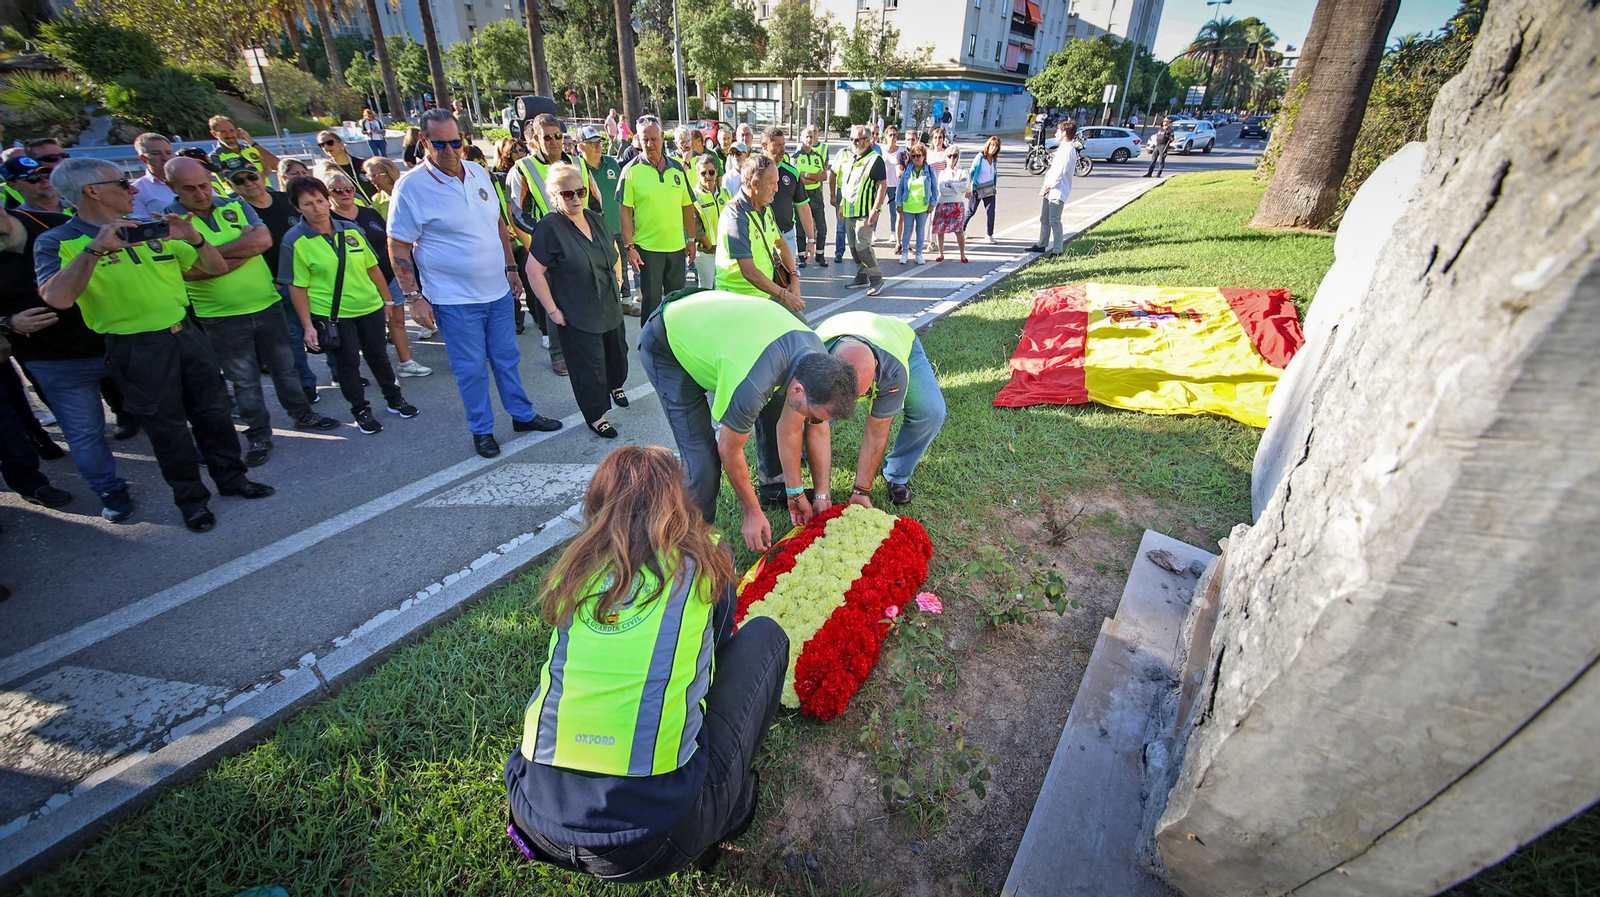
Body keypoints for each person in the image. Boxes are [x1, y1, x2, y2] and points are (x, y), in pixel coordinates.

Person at [504, 445, 788, 883]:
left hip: (534, 815)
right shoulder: (706, 558)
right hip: (653, 839)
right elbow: (716, 652)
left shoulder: (573, 568)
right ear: (678, 498)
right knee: (766, 636)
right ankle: (727, 815)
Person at [36, 158, 274, 532]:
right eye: (122, 183)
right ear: (92, 191)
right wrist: (95, 249)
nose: (133, 189)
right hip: (136, 347)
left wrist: (193, 238)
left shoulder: (148, 227)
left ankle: (233, 478)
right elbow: (57, 298)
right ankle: (192, 501)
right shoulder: (59, 240)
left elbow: (213, 267)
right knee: (168, 429)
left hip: (185, 333)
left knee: (213, 414)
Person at [388, 108, 562, 459]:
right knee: (470, 369)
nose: (450, 150)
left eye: (455, 142)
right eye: (440, 143)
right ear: (424, 141)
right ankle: (482, 430)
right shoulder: (410, 187)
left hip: (496, 291)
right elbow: (398, 245)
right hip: (453, 299)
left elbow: (498, 223)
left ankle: (522, 415)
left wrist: (511, 268)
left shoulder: (478, 172)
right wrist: (413, 297)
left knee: (506, 358)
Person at [638, 289, 860, 547]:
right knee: (702, 460)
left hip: (719, 334)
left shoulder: (815, 359)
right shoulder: (752, 384)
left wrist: (810, 493)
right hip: (668, 343)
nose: (811, 422)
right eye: (812, 416)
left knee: (775, 410)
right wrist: (751, 512)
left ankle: (773, 489)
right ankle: (692, 543)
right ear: (799, 389)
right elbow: (729, 450)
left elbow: (797, 429)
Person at [167, 158, 340, 466]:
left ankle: (302, 413)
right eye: (189, 188)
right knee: (244, 380)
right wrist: (242, 247)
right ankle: (259, 433)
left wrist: (208, 257)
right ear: (172, 187)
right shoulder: (168, 222)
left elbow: (263, 240)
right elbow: (185, 273)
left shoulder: (235, 205)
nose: (201, 194)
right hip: (221, 316)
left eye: (204, 185)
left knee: (285, 367)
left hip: (266, 303)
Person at [0, 205, 133, 521]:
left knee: (161, 410)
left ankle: (185, 467)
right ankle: (109, 491)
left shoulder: (55, 225)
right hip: (50, 359)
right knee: (84, 433)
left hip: (114, 340)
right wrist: (8, 323)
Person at [280, 176, 418, 435]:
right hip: (334, 314)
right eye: (308, 204)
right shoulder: (295, 239)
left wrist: (387, 299)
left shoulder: (350, 230)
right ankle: (360, 410)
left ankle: (395, 399)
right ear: (297, 208)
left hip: (369, 306)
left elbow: (372, 267)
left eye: (320, 201)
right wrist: (307, 326)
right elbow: (297, 287)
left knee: (379, 356)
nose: (317, 208)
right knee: (347, 364)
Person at [524, 163, 628, 439]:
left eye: (580, 192)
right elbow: (533, 271)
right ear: (554, 196)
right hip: (577, 310)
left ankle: (615, 385)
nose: (575, 198)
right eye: (567, 194)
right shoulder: (550, 227)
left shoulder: (594, 218)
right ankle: (596, 415)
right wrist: (552, 310)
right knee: (588, 367)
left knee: (617, 353)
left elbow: (613, 249)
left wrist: (618, 280)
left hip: (608, 303)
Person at [814, 311, 945, 506]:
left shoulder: (892, 368)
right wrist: (821, 494)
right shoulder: (814, 360)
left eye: (862, 392)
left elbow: (877, 432)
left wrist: (861, 491)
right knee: (809, 419)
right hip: (838, 333)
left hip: (897, 341)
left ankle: (896, 474)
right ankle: (805, 453)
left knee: (930, 412)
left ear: (875, 366)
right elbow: (813, 425)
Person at [507, 113, 603, 374]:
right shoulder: (523, 168)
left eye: (558, 136)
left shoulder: (578, 164)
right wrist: (548, 236)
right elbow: (518, 213)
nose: (554, 141)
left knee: (584, 293)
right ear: (535, 140)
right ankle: (558, 354)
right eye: (547, 137)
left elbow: (595, 202)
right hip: (551, 248)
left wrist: (594, 232)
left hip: (583, 241)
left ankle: (585, 344)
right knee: (554, 297)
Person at [231, 158, 323, 407]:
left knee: (326, 327)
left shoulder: (286, 200)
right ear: (232, 185)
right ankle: (306, 384)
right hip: (276, 287)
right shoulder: (234, 212)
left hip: (313, 280)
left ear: (262, 175)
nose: (248, 183)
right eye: (239, 180)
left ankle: (339, 373)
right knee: (292, 338)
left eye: (252, 176)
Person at [324, 170, 431, 379]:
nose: (345, 193)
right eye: (338, 191)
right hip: (356, 282)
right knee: (367, 330)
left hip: (387, 276)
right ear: (328, 194)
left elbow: (389, 240)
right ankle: (361, 373)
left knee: (397, 321)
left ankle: (406, 363)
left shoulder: (369, 213)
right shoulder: (328, 220)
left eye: (349, 189)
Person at [617, 115, 697, 323]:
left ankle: (673, 339)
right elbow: (625, 212)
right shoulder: (630, 171)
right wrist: (629, 247)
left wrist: (691, 240)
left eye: (654, 139)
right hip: (648, 250)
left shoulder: (677, 168)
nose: (650, 144)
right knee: (651, 304)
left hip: (677, 248)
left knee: (676, 304)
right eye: (645, 140)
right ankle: (650, 340)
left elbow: (687, 206)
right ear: (638, 139)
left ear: (662, 137)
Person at [715, 156, 801, 315]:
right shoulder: (736, 217)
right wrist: (784, 295)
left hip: (766, 294)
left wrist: (794, 277)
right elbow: (748, 271)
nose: (776, 189)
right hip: (739, 301)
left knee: (799, 325)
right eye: (772, 183)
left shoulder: (765, 208)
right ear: (754, 184)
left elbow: (780, 243)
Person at [575, 125, 629, 307]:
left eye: (599, 142)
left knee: (621, 264)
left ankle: (625, 300)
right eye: (592, 144)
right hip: (592, 229)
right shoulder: (577, 168)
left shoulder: (611, 163)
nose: (598, 147)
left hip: (616, 225)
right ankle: (605, 303)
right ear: (581, 146)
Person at [837, 125, 888, 296]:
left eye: (857, 140)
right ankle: (861, 276)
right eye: (851, 139)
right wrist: (842, 205)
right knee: (853, 247)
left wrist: (876, 210)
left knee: (863, 247)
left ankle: (876, 279)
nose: (854, 142)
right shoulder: (852, 157)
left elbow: (882, 186)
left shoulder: (875, 159)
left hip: (864, 213)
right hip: (850, 211)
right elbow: (848, 184)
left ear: (868, 140)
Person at [760, 126, 816, 267]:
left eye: (784, 144)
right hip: (759, 236)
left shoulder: (791, 173)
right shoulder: (753, 171)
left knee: (789, 276)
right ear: (764, 146)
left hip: (786, 235)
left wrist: (811, 240)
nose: (783, 149)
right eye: (778, 145)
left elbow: (803, 207)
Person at [1028, 120, 1078, 255]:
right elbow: (1053, 170)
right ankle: (1042, 244)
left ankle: (1057, 250)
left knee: (1054, 220)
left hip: (1058, 191)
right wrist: (1045, 186)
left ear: (1064, 132)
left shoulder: (1069, 150)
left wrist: (1048, 187)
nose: (1056, 133)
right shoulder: (1062, 148)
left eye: (1058, 131)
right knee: (1044, 219)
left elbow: (1060, 172)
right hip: (1050, 190)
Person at [206, 116, 280, 190]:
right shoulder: (215, 157)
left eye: (231, 130)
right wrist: (264, 173)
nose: (229, 135)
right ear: (214, 134)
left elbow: (278, 166)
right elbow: (229, 182)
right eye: (223, 132)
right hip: (240, 196)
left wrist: (251, 142)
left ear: (237, 131)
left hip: (268, 192)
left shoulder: (252, 148)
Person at [689, 156, 729, 289]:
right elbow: (695, 225)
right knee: (706, 289)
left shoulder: (726, 194)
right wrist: (710, 246)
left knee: (723, 287)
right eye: (703, 173)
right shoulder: (694, 196)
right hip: (705, 251)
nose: (708, 176)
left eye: (711, 172)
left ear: (716, 172)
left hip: (725, 250)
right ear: (697, 174)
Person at [792, 124, 828, 268]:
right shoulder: (795, 157)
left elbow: (824, 176)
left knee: (821, 227)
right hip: (801, 195)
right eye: (807, 136)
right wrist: (815, 178)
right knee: (800, 227)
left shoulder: (818, 157)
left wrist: (807, 175)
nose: (809, 139)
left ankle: (820, 255)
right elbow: (798, 179)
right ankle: (802, 256)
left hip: (816, 195)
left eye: (812, 137)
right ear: (801, 138)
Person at [315, 131, 380, 206]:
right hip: (355, 209)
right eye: (322, 145)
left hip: (378, 205)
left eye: (329, 142)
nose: (326, 147)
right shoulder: (329, 170)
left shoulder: (363, 163)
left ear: (341, 143)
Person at [895, 144, 935, 265]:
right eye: (913, 156)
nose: (916, 158)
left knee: (920, 230)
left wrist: (933, 203)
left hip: (923, 206)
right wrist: (898, 203)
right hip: (908, 205)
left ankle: (918, 254)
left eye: (918, 155)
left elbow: (935, 188)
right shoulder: (907, 170)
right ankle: (904, 253)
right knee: (907, 230)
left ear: (924, 156)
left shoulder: (929, 170)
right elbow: (901, 188)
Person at [932, 146, 971, 264]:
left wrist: (951, 184)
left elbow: (965, 185)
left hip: (957, 203)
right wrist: (956, 185)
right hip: (943, 202)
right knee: (940, 230)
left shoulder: (963, 170)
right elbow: (942, 188)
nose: (952, 159)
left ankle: (962, 254)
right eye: (950, 156)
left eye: (955, 156)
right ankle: (941, 253)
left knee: (959, 230)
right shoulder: (943, 173)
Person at [130, 133, 178, 218]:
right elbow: (141, 223)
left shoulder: (192, 179)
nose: (165, 158)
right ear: (144, 158)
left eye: (168, 153)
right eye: (156, 153)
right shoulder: (137, 191)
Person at [1, 157, 71, 215]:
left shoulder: (75, 207)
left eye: (46, 174)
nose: (44, 180)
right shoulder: (16, 220)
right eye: (33, 177)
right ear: (13, 185)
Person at [967, 136, 1001, 243]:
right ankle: (961, 229)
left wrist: (994, 185)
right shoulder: (980, 157)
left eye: (996, 146)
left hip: (989, 189)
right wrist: (970, 187)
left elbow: (993, 174)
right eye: (992, 145)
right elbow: (972, 172)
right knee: (971, 211)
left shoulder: (994, 160)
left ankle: (989, 234)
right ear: (988, 145)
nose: (994, 148)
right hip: (978, 188)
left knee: (991, 212)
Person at [878, 127, 906, 246]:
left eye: (895, 135)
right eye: (890, 135)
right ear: (885, 136)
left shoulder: (901, 151)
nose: (893, 137)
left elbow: (904, 167)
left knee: (894, 210)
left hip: (895, 184)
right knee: (877, 207)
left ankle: (893, 232)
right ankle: (873, 231)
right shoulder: (881, 150)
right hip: (882, 183)